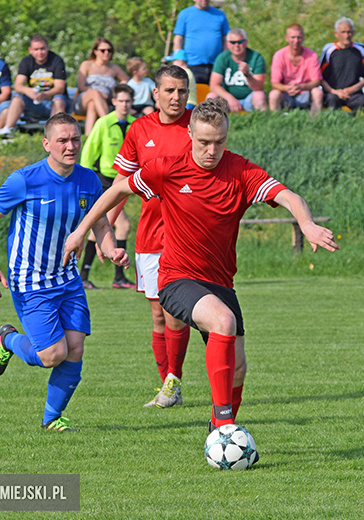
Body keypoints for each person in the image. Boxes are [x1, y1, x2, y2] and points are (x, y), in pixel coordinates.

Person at [64, 98, 338, 440]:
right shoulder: (168, 168)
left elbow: (288, 196)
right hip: (177, 277)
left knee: (238, 369)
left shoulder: (240, 171)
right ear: (190, 133)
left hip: (220, 282)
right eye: (204, 142)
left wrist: (307, 224)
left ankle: (218, 429)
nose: (212, 150)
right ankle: (224, 428)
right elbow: (117, 189)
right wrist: (80, 232)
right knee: (224, 322)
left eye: (219, 142)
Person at [0, 112, 129, 431]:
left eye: (75, 139)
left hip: (68, 280)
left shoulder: (88, 180)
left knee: (75, 350)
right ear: (47, 144)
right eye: (62, 140)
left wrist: (111, 248)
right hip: (30, 282)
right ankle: (9, 341)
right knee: (51, 355)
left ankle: (51, 419)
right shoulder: (25, 179)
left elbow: (99, 222)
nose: (70, 146)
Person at [110, 65, 195, 407]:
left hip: (188, 236)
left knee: (176, 312)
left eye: (183, 91)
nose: (177, 97)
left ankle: (174, 380)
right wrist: (105, 232)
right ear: (155, 94)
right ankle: (168, 385)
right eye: (170, 91)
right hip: (150, 236)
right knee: (159, 315)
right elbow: (120, 186)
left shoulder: (197, 125)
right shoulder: (139, 130)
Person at [79, 84, 137, 290]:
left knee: (107, 228)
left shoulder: (135, 125)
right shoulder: (103, 123)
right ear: (114, 102)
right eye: (121, 101)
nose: (124, 104)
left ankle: (88, 275)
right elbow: (87, 156)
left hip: (125, 184)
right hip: (104, 182)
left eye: (128, 101)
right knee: (117, 226)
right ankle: (111, 277)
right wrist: (86, 183)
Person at [0, 34, 70, 138]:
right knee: (17, 97)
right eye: (36, 49)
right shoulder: (26, 61)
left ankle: (54, 134)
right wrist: (27, 91)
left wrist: (45, 94)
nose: (40, 52)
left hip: (52, 102)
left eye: (42, 49)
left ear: (48, 47)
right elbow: (18, 85)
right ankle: (9, 129)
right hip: (34, 103)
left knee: (58, 99)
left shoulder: (56, 60)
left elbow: (60, 88)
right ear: (30, 50)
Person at [75, 37, 130, 135]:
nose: (106, 53)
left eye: (109, 50)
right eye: (103, 50)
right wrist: (98, 94)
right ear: (95, 51)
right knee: (95, 93)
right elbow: (81, 86)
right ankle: (110, 126)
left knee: (92, 105)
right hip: (84, 98)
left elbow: (127, 81)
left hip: (104, 101)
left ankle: (88, 137)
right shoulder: (87, 65)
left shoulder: (114, 68)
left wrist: (121, 85)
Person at [268, 23, 323, 115]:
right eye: (293, 37)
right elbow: (274, 83)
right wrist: (287, 88)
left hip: (304, 92)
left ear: (303, 38)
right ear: (287, 38)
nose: (296, 41)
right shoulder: (279, 55)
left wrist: (301, 87)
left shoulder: (312, 55)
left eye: (299, 37)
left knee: (317, 92)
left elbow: (317, 81)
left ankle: (315, 121)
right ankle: (275, 121)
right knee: (273, 94)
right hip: (286, 93)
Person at [208, 28, 267, 112]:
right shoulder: (222, 58)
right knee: (211, 96)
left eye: (240, 42)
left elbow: (259, 87)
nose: (236, 45)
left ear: (246, 42)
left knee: (259, 95)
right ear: (227, 44)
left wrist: (248, 75)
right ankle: (212, 124)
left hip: (248, 99)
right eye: (233, 42)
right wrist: (230, 98)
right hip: (227, 100)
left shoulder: (256, 58)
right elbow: (214, 86)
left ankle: (263, 123)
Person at [172, 0, 230, 84]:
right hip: (192, 64)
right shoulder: (185, 14)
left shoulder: (220, 14)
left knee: (214, 95)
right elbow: (178, 38)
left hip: (216, 65)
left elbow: (226, 39)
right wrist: (178, 58)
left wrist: (225, 59)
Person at [320, 17, 364, 112]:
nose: (346, 35)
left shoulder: (360, 49)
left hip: (353, 94)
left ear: (353, 33)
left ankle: (357, 126)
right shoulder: (329, 50)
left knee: (363, 102)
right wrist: (335, 91)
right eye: (343, 32)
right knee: (332, 100)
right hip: (333, 93)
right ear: (336, 34)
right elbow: (320, 78)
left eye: (349, 32)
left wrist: (352, 89)